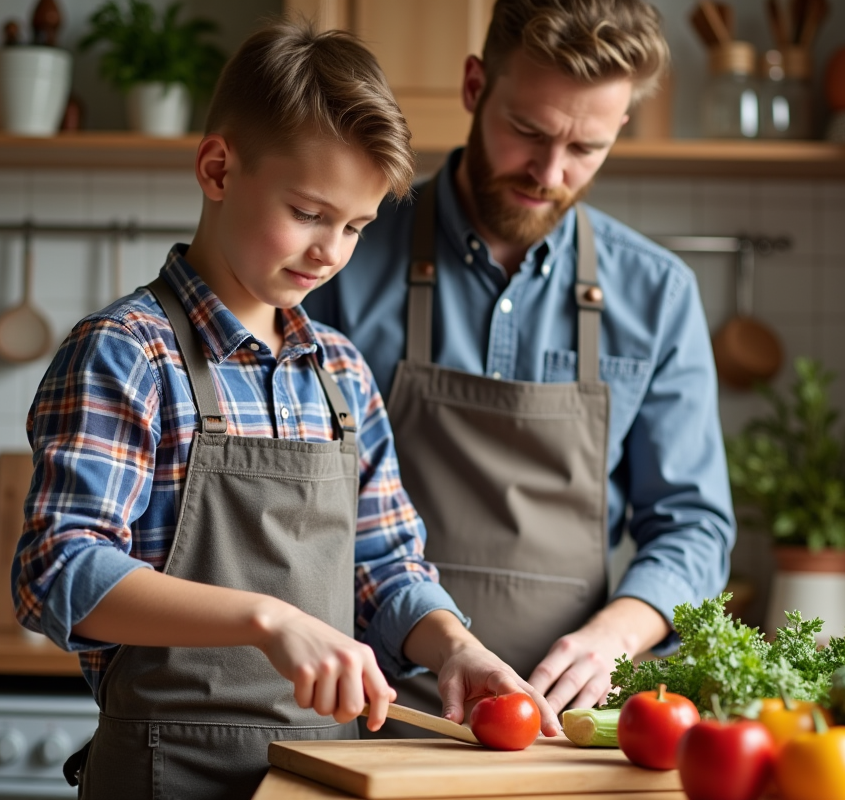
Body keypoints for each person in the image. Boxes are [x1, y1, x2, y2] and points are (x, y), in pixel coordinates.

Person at [12, 21, 558, 800]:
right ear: (217, 168)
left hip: (322, 777)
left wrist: (454, 648)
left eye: (356, 227)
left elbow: (385, 567)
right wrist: (265, 619)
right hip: (168, 776)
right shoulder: (128, 353)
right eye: (308, 212)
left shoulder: (339, 370)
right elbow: (57, 570)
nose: (331, 251)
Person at [304, 0, 736, 724]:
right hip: (366, 711)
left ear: (620, 125)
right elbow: (294, 503)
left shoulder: (658, 295)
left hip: (564, 721)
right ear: (476, 87)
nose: (549, 172)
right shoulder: (340, 259)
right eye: (527, 132)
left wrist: (613, 639)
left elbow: (693, 525)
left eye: (586, 148)